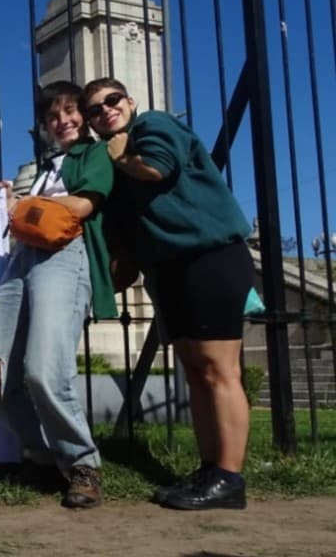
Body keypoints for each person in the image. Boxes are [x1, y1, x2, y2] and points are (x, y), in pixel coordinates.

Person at [82, 77, 254, 510]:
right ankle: (210, 469)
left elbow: (158, 169)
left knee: (219, 368)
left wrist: (123, 158)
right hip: (168, 268)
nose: (105, 110)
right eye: (94, 109)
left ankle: (230, 477)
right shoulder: (110, 158)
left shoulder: (152, 127)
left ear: (130, 101)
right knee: (196, 371)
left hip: (208, 256)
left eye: (112, 100)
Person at [0, 81, 117, 509]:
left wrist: (25, 209)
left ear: (83, 117)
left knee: (43, 370)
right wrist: (9, 199)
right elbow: (24, 215)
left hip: (65, 252)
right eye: (53, 116)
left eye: (70, 111)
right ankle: (39, 453)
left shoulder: (93, 155)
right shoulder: (43, 166)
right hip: (24, 258)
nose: (62, 121)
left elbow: (83, 206)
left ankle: (82, 464)